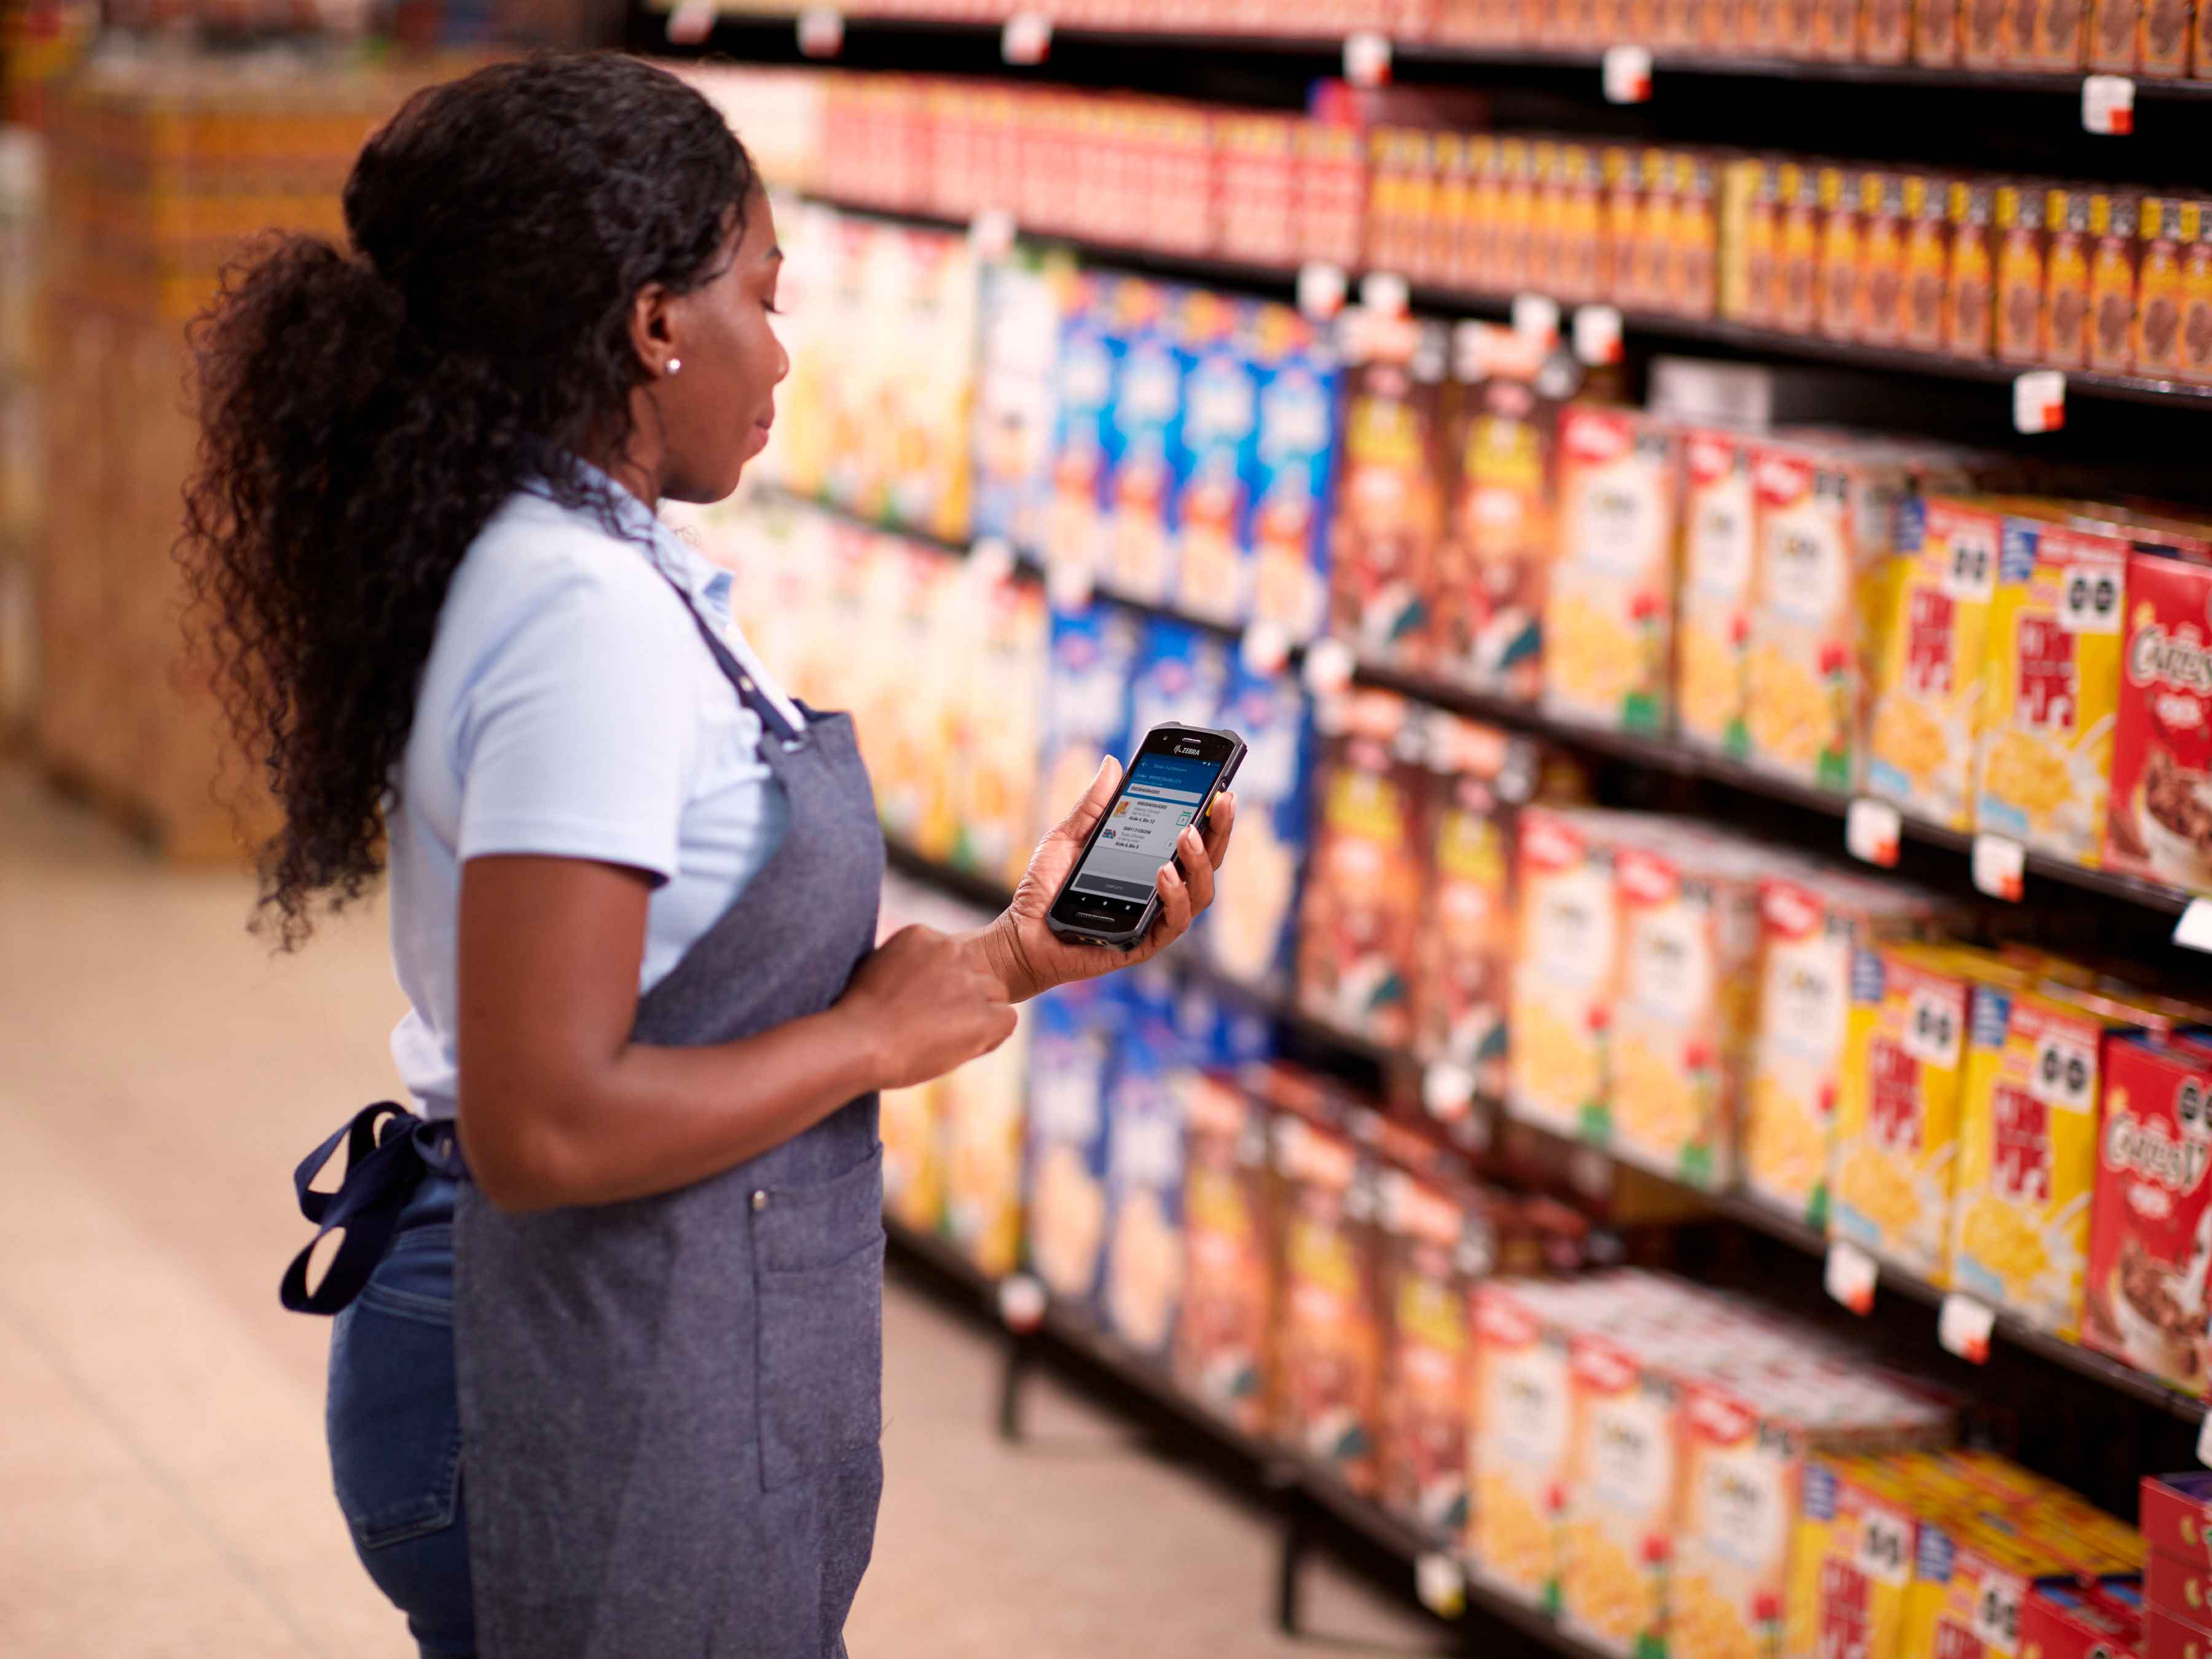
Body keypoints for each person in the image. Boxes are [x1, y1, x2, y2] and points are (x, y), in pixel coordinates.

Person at [179, 52, 1233, 1659]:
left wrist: (1013, 955)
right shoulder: (577, 613)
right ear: (653, 323)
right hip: (556, 1358)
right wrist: (873, 1034)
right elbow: (545, 1120)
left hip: (617, 1335)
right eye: (763, 291)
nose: (787, 350)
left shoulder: (592, 561)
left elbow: (679, 977)